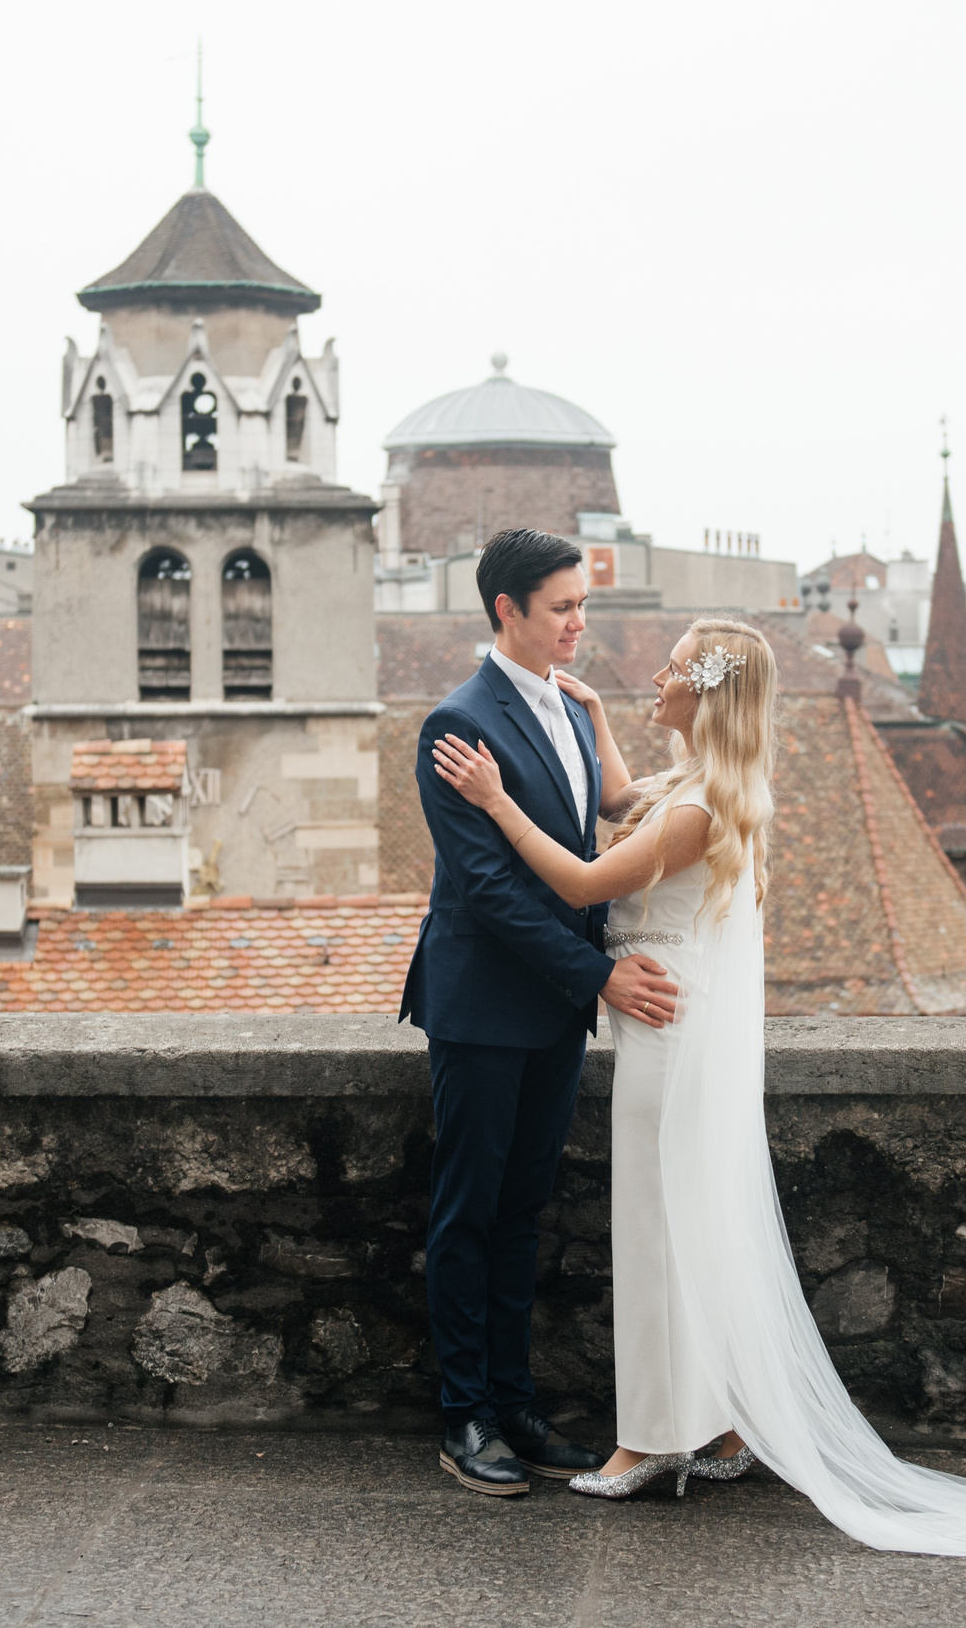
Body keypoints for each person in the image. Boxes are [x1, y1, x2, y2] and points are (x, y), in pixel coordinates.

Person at [429, 617, 966, 1560]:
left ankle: (650, 1442)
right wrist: (605, 720)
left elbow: (581, 881)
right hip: (673, 1034)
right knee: (696, 1230)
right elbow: (623, 797)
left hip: (666, 1046)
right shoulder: (701, 786)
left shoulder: (701, 807)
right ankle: (730, 1425)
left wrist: (495, 799)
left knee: (660, 1237)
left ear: (706, 690)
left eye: (672, 668)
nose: (654, 675)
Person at [398, 528, 681, 1498]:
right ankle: (464, 1415)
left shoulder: (564, 703)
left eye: (582, 604)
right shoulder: (455, 723)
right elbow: (488, 889)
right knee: (468, 1213)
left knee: (522, 1212)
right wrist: (599, 976)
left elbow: (604, 822)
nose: (577, 622)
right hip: (481, 1005)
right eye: (561, 606)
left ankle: (514, 1401)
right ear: (504, 610)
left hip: (552, 1009)